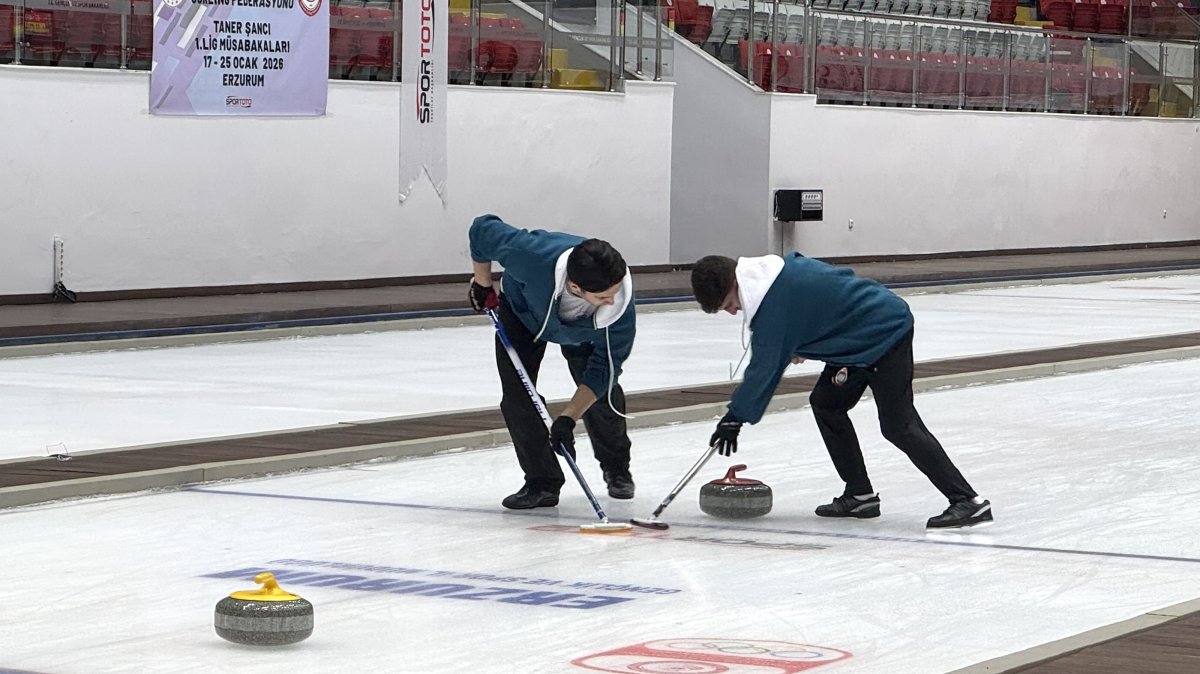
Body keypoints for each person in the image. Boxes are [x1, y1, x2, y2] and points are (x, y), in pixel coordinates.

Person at [690, 253, 992, 529]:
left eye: (730, 304)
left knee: (899, 426)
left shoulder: (773, 306)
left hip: (884, 332)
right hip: (854, 342)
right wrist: (802, 340)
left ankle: (967, 500)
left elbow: (763, 369)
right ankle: (860, 494)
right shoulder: (773, 276)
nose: (733, 312)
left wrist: (735, 417)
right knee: (827, 403)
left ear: (734, 282)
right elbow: (817, 307)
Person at [468, 214, 637, 510]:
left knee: (603, 392)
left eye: (615, 291)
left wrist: (568, 418)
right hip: (524, 314)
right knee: (518, 395)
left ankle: (616, 466)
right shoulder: (531, 254)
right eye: (602, 296)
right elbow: (483, 230)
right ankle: (541, 482)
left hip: (587, 331)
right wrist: (483, 283)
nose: (613, 300)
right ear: (575, 287)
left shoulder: (619, 308)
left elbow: (603, 370)